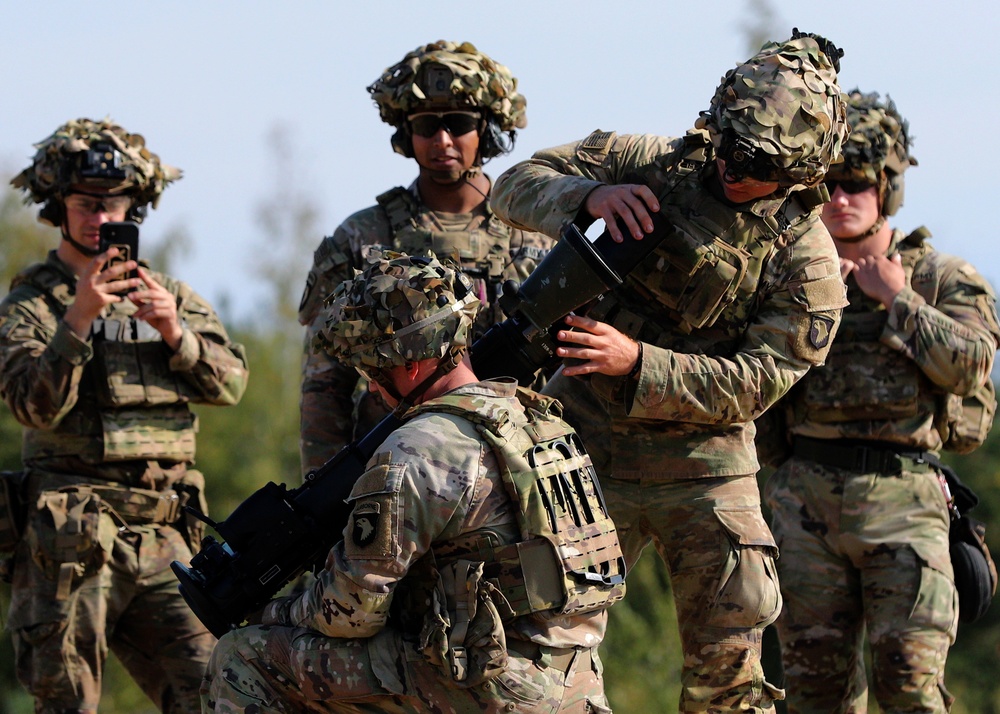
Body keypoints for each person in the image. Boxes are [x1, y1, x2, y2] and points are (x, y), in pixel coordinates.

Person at [490, 31, 850, 712]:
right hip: (582, 456)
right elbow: (511, 184)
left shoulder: (808, 263)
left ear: (801, 172)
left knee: (729, 679)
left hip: (707, 475)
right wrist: (586, 196)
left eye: (760, 163)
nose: (736, 169)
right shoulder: (648, 161)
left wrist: (640, 364)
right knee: (532, 646)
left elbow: (754, 384)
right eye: (730, 147)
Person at [202, 251, 624, 713]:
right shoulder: (543, 424)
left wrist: (273, 612)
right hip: (578, 687)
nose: (375, 391)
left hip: (491, 691)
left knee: (242, 655)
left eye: (374, 374)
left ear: (409, 366)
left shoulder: (416, 449)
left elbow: (351, 614)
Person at [758, 91, 1000, 712]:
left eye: (856, 184)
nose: (839, 199)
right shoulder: (787, 276)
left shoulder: (941, 278)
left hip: (904, 500)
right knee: (814, 695)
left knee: (911, 688)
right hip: (804, 499)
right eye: (828, 183)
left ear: (887, 188)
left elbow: (971, 365)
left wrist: (898, 300)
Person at [0, 118, 249, 712]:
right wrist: (79, 318)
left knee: (223, 692)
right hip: (72, 538)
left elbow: (231, 384)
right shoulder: (32, 302)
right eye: (86, 204)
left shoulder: (172, 296)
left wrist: (173, 330)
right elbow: (31, 405)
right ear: (58, 207)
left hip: (166, 536)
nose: (100, 217)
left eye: (115, 205)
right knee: (65, 703)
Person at [297, 39, 553, 474]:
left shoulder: (533, 229)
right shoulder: (364, 236)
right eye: (426, 126)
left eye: (458, 123)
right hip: (397, 467)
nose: (442, 140)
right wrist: (326, 488)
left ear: (488, 130)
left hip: (519, 462)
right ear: (405, 134)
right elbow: (325, 382)